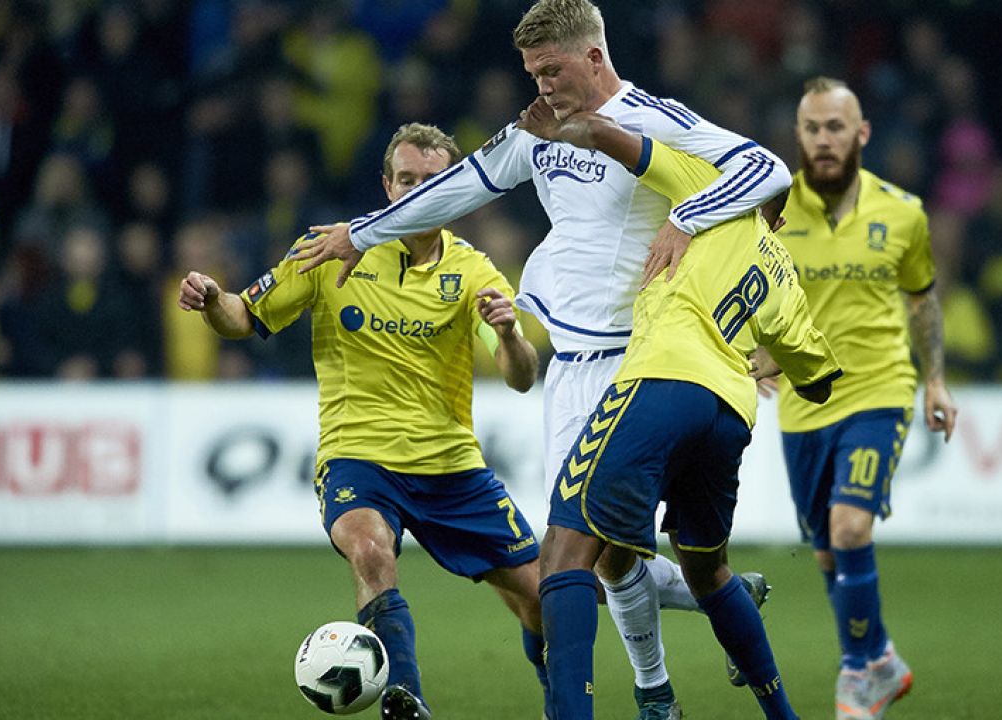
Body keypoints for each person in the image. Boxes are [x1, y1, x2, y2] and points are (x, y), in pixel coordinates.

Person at [294, 2, 790, 715]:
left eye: (552, 70)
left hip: (643, 360)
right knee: (607, 554)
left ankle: (652, 693)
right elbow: (462, 184)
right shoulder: (541, 129)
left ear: (593, 58)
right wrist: (367, 233)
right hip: (572, 367)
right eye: (532, 72)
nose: (542, 86)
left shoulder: (651, 118)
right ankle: (687, 645)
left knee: (574, 554)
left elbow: (765, 168)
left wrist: (687, 217)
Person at [177, 123, 546, 720]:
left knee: (543, 605)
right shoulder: (329, 251)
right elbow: (245, 316)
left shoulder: (476, 272)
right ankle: (407, 701)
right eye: (407, 180)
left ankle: (559, 700)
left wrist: (507, 332)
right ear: (386, 185)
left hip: (451, 466)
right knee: (372, 551)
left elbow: (520, 375)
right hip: (359, 457)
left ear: (456, 189)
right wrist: (213, 298)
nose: (419, 192)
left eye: (436, 182)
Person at [516, 100, 841, 720]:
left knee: (564, 547)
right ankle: (783, 714)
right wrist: (773, 360)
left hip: (662, 380)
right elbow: (820, 379)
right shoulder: (782, 272)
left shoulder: (701, 187)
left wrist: (565, 129)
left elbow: (623, 142)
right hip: (729, 413)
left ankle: (584, 709)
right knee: (708, 571)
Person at [756, 76, 959, 720]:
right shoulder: (770, 206)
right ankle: (880, 659)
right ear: (798, 135)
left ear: (861, 133)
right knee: (825, 549)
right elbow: (749, 286)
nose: (824, 139)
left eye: (836, 127)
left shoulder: (904, 212)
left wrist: (934, 379)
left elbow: (923, 299)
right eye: (812, 128)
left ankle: (856, 672)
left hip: (877, 386)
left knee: (849, 528)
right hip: (801, 397)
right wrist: (753, 348)